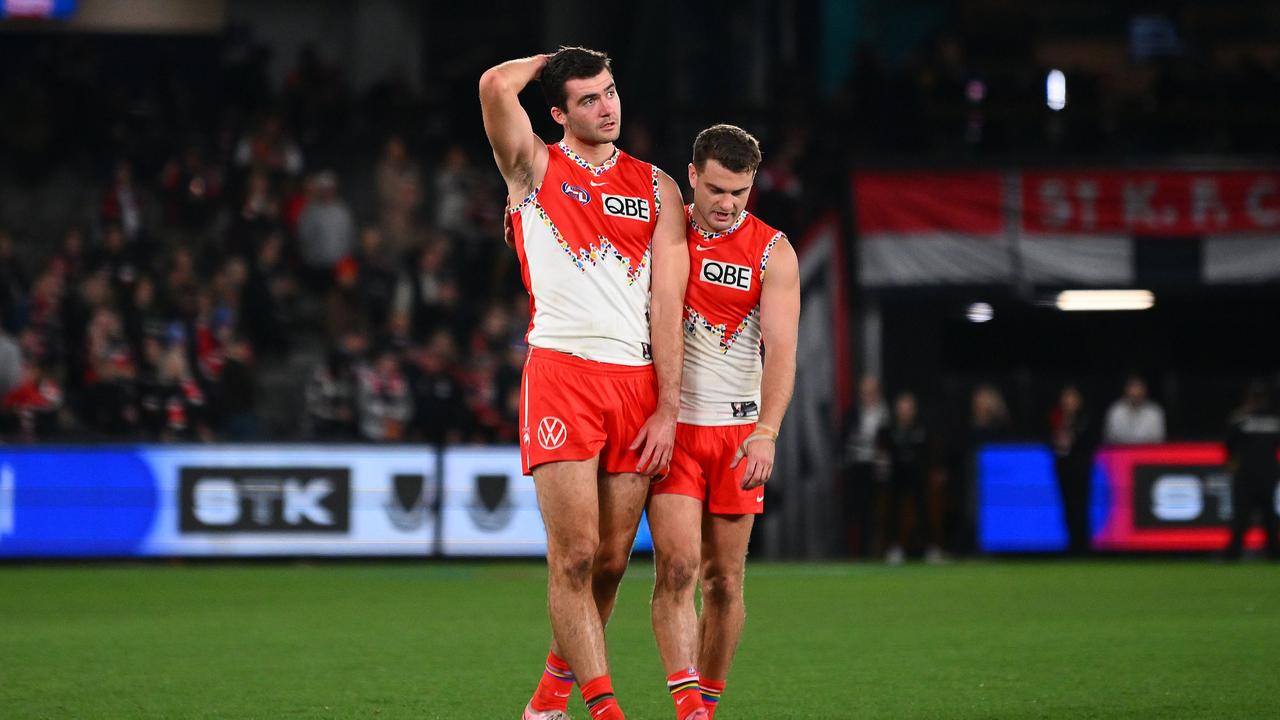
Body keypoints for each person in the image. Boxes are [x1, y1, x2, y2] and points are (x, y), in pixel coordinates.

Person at [479, 46, 687, 720]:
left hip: (636, 384)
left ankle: (547, 701)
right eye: (590, 98)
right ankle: (604, 710)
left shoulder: (657, 188)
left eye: (612, 90)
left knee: (610, 565)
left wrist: (669, 406)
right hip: (562, 375)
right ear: (558, 113)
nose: (608, 106)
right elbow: (491, 84)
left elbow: (666, 306)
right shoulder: (533, 167)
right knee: (573, 554)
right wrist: (548, 58)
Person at [648, 124, 800, 720]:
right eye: (715, 189)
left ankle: (707, 704)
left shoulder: (773, 252)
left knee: (726, 582)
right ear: (692, 174)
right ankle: (688, 707)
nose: (727, 203)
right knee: (679, 565)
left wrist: (766, 432)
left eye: (739, 192)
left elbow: (782, 351)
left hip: (738, 437)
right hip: (677, 428)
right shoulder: (664, 229)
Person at [1221, 382, 1280, 560]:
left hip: (1246, 475)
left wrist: (1231, 465)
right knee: (1269, 516)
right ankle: (1273, 553)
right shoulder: (1275, 420)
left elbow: (1229, 446)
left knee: (1242, 516)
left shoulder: (1239, 419)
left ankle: (1233, 553)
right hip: (1268, 474)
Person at [1050, 385, 1093, 555]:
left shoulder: (1084, 419)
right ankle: (1071, 545)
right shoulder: (1057, 418)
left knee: (1081, 505)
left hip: (1081, 467)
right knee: (1067, 506)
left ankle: (1084, 545)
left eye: (1072, 398)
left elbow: (1088, 442)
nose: (1069, 402)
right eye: (1066, 398)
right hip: (1063, 467)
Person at [1103, 376, 1165, 444]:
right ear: (1126, 390)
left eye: (1139, 389)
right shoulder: (1115, 411)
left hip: (1147, 452)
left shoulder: (1154, 412)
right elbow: (1109, 438)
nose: (1136, 393)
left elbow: (1159, 439)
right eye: (1132, 388)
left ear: (1145, 391)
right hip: (1121, 452)